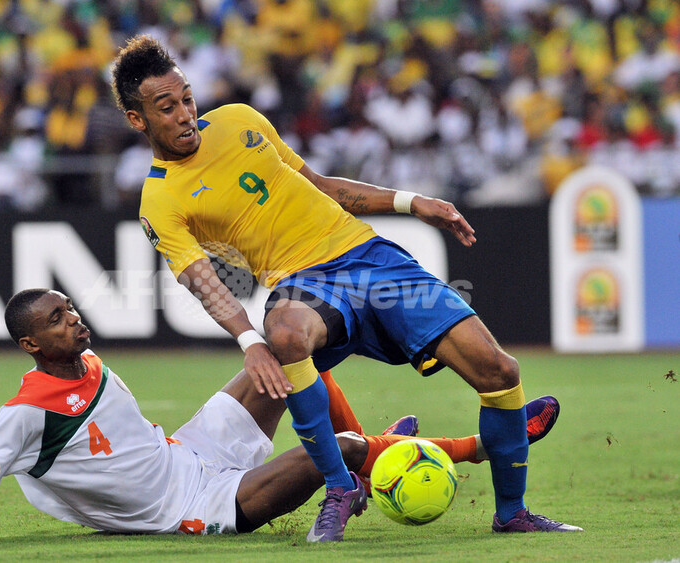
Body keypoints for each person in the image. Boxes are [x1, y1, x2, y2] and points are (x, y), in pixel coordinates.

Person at [110, 35, 582, 542]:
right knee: (285, 335)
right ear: (138, 119)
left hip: (370, 257)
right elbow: (201, 280)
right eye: (167, 107)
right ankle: (340, 487)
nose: (185, 114)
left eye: (187, 99)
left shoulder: (239, 119)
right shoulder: (160, 200)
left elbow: (319, 185)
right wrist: (249, 342)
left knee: (499, 369)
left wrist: (410, 202)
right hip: (301, 282)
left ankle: (512, 513)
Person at [0, 289, 561, 543]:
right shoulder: (28, 412)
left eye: (69, 309)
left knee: (284, 356)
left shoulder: (86, 361)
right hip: (191, 505)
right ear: (30, 344)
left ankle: (381, 449)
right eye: (56, 320)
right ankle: (464, 448)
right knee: (342, 451)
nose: (73, 319)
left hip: (187, 452)